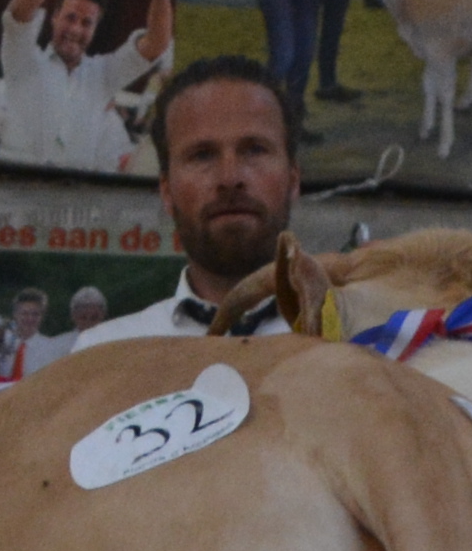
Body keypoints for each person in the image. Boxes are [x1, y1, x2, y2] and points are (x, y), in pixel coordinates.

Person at [61, 58, 316, 350]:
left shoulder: (354, 342)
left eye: (255, 150)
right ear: (166, 190)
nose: (230, 178)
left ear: (293, 179)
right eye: (202, 155)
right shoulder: (103, 353)